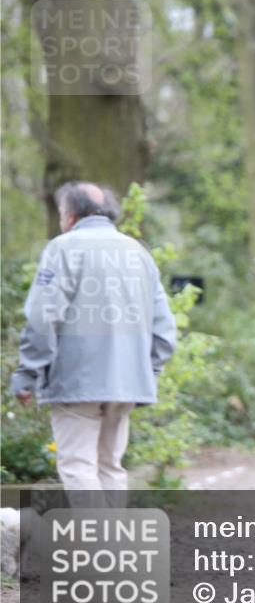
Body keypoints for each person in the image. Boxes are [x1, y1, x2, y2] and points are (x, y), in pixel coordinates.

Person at [10, 181, 177, 508]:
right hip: (127, 381)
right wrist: (150, 369)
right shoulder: (139, 253)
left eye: (60, 212)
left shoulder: (62, 248)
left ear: (71, 215)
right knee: (110, 466)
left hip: (75, 380)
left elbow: (44, 317)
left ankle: (99, 550)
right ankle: (116, 551)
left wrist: (28, 373)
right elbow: (164, 327)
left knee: (78, 466)